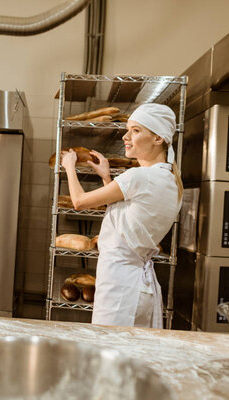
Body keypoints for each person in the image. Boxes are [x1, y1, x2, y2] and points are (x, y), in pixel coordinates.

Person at [60, 103, 183, 328]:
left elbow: (78, 202)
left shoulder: (138, 177)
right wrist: (107, 178)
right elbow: (128, 218)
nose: (126, 137)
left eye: (136, 130)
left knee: (108, 358)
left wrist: (69, 166)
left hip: (119, 288)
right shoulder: (171, 182)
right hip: (140, 288)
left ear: (158, 138)